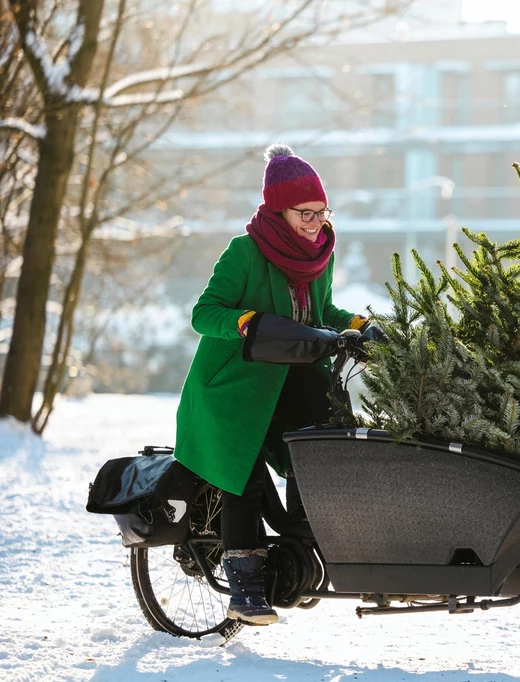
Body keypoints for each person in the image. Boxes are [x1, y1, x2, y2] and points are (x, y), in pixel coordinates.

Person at [173, 144, 367, 625]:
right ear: (279, 210)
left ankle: (305, 546)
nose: (316, 222)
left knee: (320, 447)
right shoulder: (245, 252)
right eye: (306, 213)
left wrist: (359, 323)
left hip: (291, 381)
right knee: (245, 476)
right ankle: (246, 588)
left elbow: (320, 315)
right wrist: (245, 321)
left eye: (322, 212)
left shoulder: (319, 253)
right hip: (234, 389)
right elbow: (204, 313)